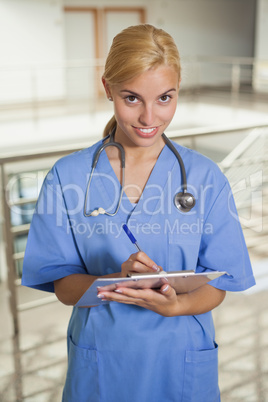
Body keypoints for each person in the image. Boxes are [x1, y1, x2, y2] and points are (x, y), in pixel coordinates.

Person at [22, 24, 255, 401]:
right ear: (108, 88)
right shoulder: (69, 177)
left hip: (180, 360)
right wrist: (116, 280)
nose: (150, 118)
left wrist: (176, 304)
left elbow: (219, 284)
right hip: (103, 362)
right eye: (132, 99)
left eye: (165, 98)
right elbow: (63, 286)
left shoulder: (204, 177)